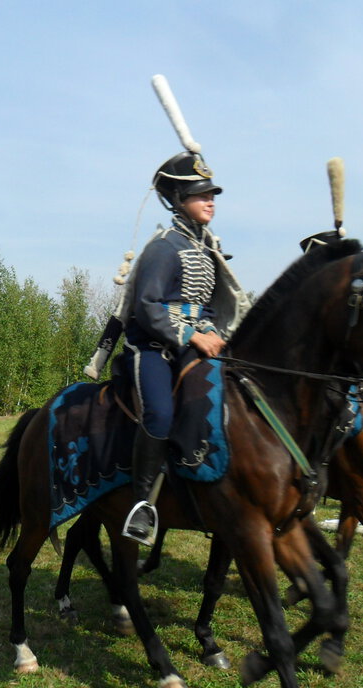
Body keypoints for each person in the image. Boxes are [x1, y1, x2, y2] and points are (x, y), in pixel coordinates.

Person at [118, 151, 251, 545]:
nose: (210, 201)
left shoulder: (205, 249)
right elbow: (147, 305)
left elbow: (203, 306)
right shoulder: (164, 246)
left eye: (212, 194)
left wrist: (213, 333)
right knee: (159, 414)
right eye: (201, 194)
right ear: (178, 199)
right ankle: (142, 505)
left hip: (196, 337)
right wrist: (193, 335)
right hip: (154, 345)